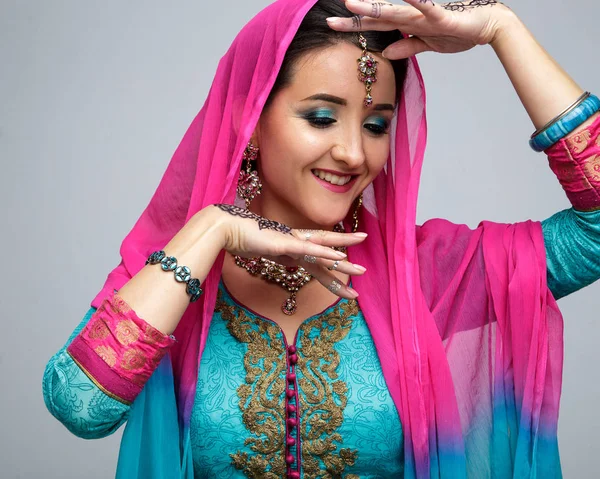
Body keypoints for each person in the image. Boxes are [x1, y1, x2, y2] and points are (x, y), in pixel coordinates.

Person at [43, 0, 600, 477]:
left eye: (377, 124)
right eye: (320, 117)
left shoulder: (427, 272)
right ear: (252, 123)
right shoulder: (175, 277)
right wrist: (212, 229)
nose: (354, 153)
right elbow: (79, 405)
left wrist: (503, 28)